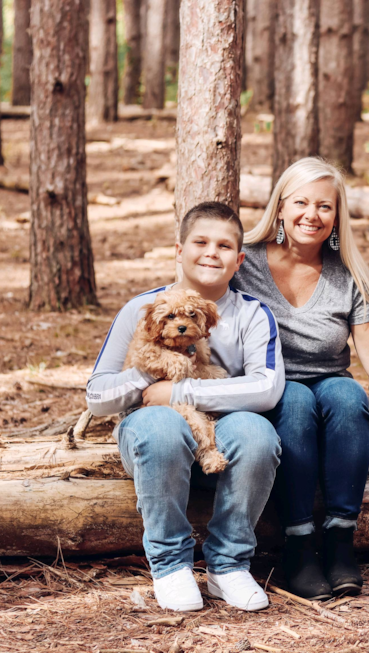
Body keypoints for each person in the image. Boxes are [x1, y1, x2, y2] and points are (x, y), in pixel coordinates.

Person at [232, 158, 369, 601]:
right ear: (280, 207)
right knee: (294, 400)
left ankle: (339, 539)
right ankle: (298, 544)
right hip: (267, 387)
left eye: (325, 206)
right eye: (300, 202)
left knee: (346, 393)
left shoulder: (349, 274)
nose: (311, 215)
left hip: (329, 385)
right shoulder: (245, 264)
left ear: (337, 216)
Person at [87, 202, 284, 612]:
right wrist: (149, 377)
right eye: (200, 242)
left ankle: (228, 566)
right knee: (160, 427)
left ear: (239, 259)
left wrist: (182, 390)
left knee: (258, 433)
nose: (212, 252)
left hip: (220, 428)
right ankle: (171, 566)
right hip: (149, 432)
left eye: (224, 245)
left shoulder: (253, 313)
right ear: (179, 250)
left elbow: (266, 388)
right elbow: (97, 395)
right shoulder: (141, 308)